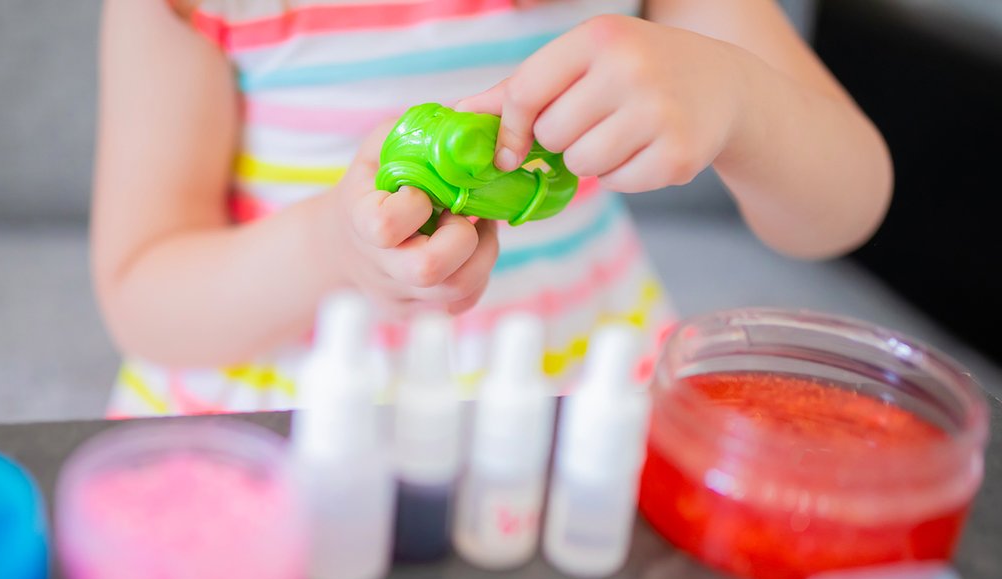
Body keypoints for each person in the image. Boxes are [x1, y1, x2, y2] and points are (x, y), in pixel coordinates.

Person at [92, 0, 892, 417]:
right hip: (299, 416)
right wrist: (331, 248)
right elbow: (143, 297)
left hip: (583, 397)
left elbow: (849, 205)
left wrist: (743, 101)